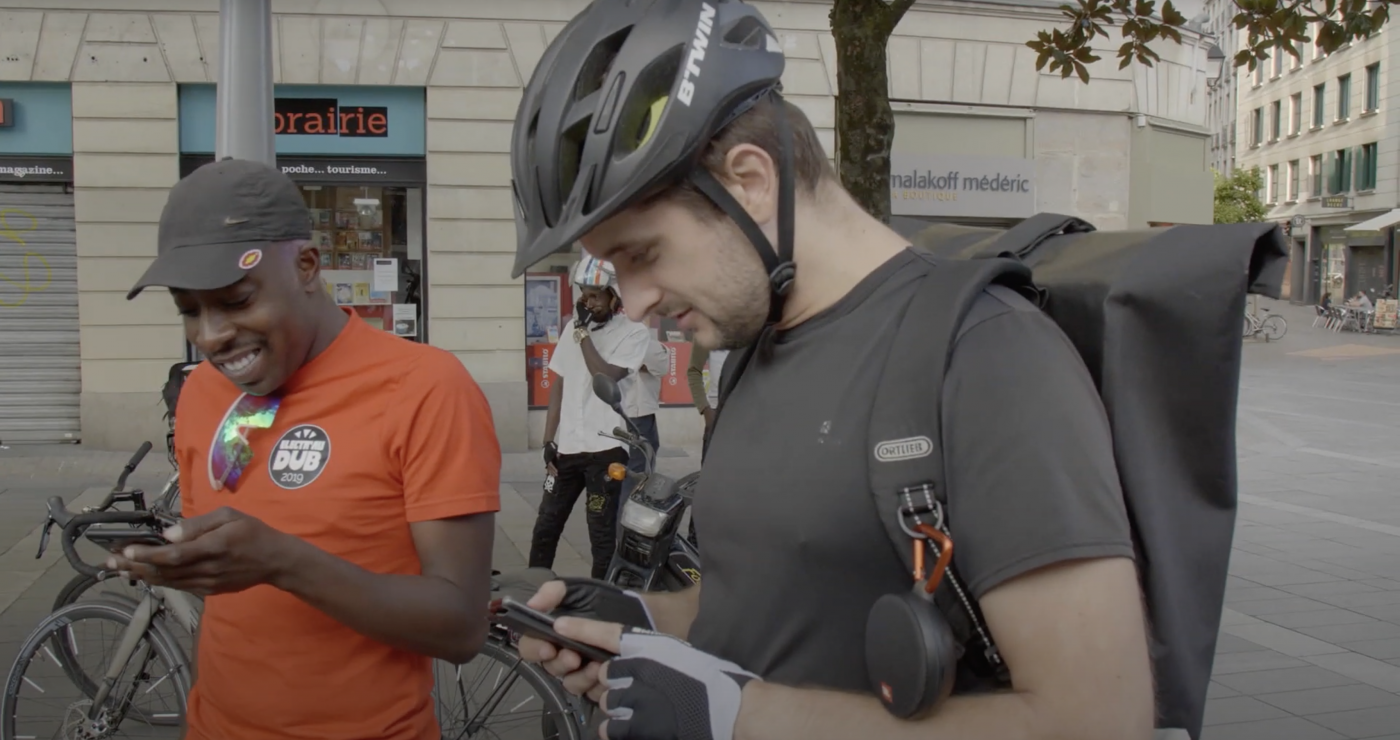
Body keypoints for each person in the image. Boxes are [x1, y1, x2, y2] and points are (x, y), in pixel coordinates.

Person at [504, 1, 1155, 739]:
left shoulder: (991, 359)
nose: (636, 301)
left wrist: (742, 718)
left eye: (642, 254)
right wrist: (641, 618)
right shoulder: (753, 350)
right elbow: (760, 613)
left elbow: (1100, 721)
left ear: (749, 181)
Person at [114, 158, 501, 740]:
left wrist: (284, 562)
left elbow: (460, 626)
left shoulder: (426, 388)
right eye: (189, 311)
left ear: (306, 266)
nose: (211, 335)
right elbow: (229, 600)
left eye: (237, 301)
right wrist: (175, 561)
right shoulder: (200, 392)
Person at [533, 255, 652, 579]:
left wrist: (584, 335)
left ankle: (601, 601)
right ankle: (532, 594)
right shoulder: (574, 328)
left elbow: (604, 376)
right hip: (568, 446)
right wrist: (548, 439)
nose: (587, 300)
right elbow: (559, 382)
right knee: (546, 524)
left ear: (614, 296)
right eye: (584, 292)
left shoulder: (633, 333)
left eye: (595, 294)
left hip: (606, 448)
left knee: (599, 533)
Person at [619, 335, 671, 496]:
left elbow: (657, 363)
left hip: (640, 408)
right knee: (640, 463)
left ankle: (637, 499)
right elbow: (662, 366)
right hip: (637, 409)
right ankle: (628, 508)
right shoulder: (638, 339)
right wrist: (662, 351)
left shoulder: (637, 341)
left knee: (647, 454)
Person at [685, 341, 730, 450]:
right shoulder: (708, 329)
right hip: (716, 412)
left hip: (747, 411)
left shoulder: (749, 328)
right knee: (714, 464)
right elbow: (694, 371)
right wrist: (705, 409)